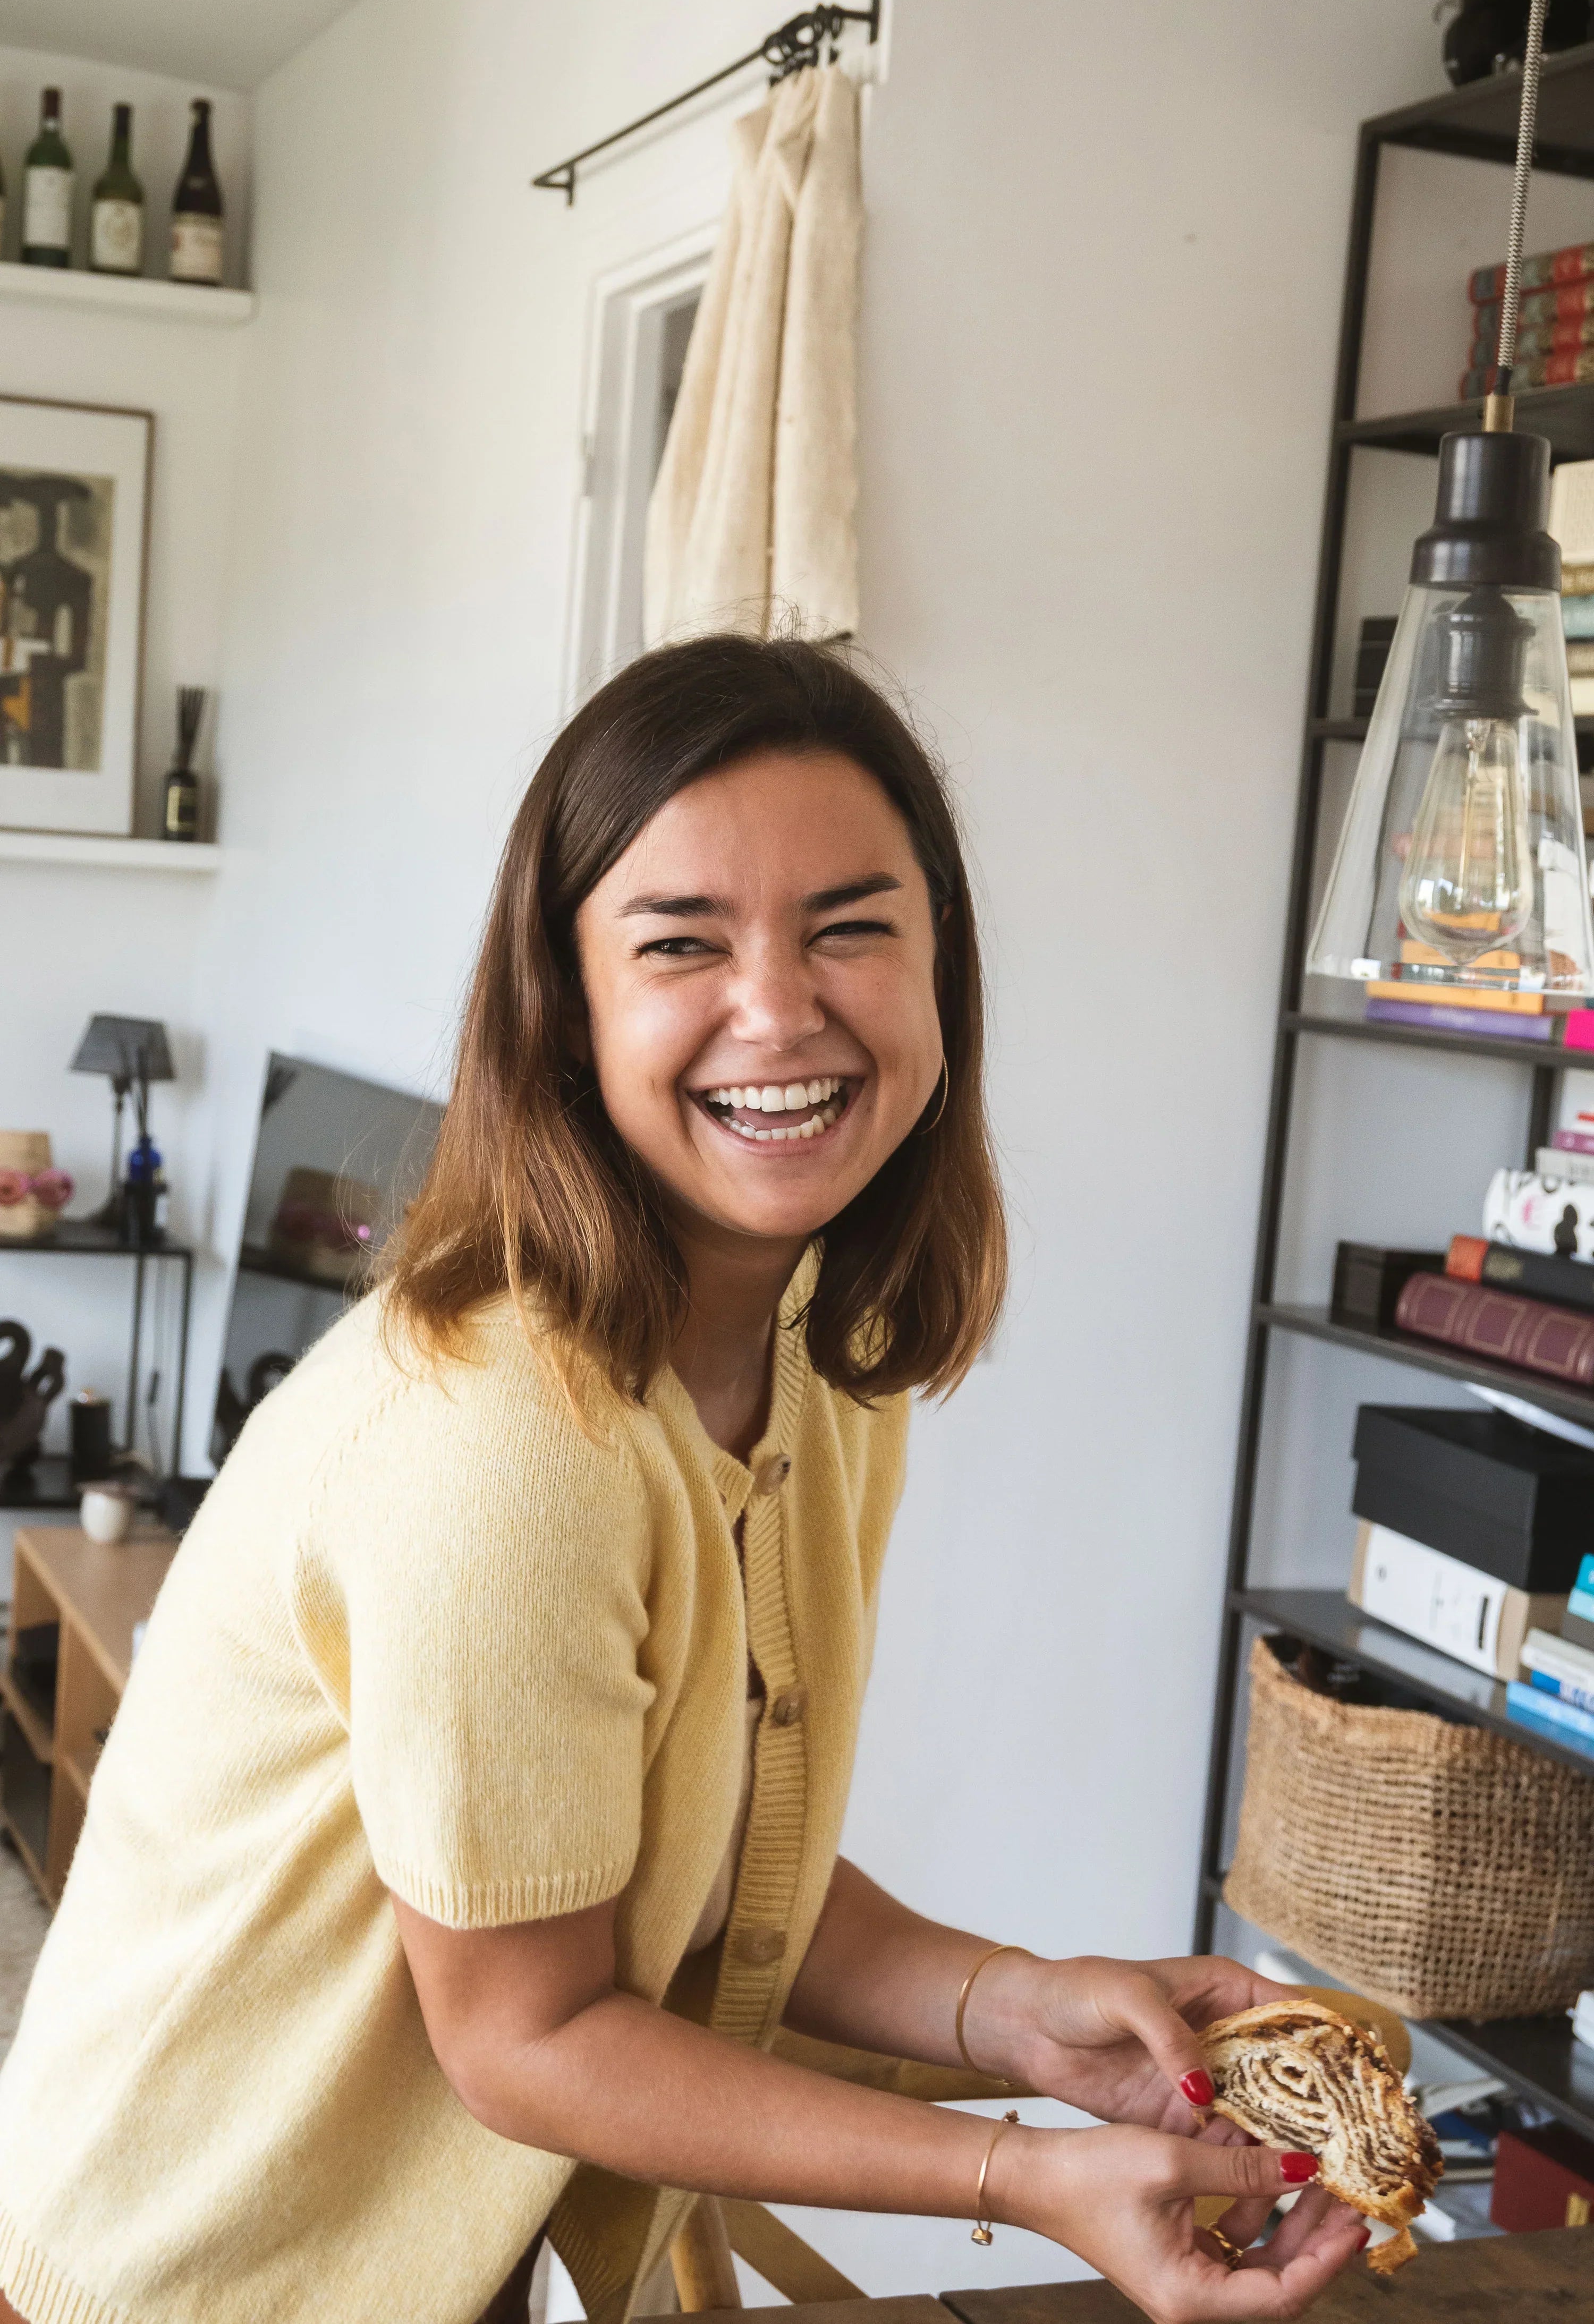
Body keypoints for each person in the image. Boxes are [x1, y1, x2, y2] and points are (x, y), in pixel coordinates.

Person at [0, 639, 1369, 2324]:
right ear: (565, 1008)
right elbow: (532, 2031)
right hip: (190, 2283)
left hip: (433, 2255)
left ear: (944, 973)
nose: (781, 1009)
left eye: (852, 927)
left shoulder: (815, 1352)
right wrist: (1023, 2179)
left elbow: (697, 1869)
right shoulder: (503, 1435)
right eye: (683, 944)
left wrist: (1020, 2010)